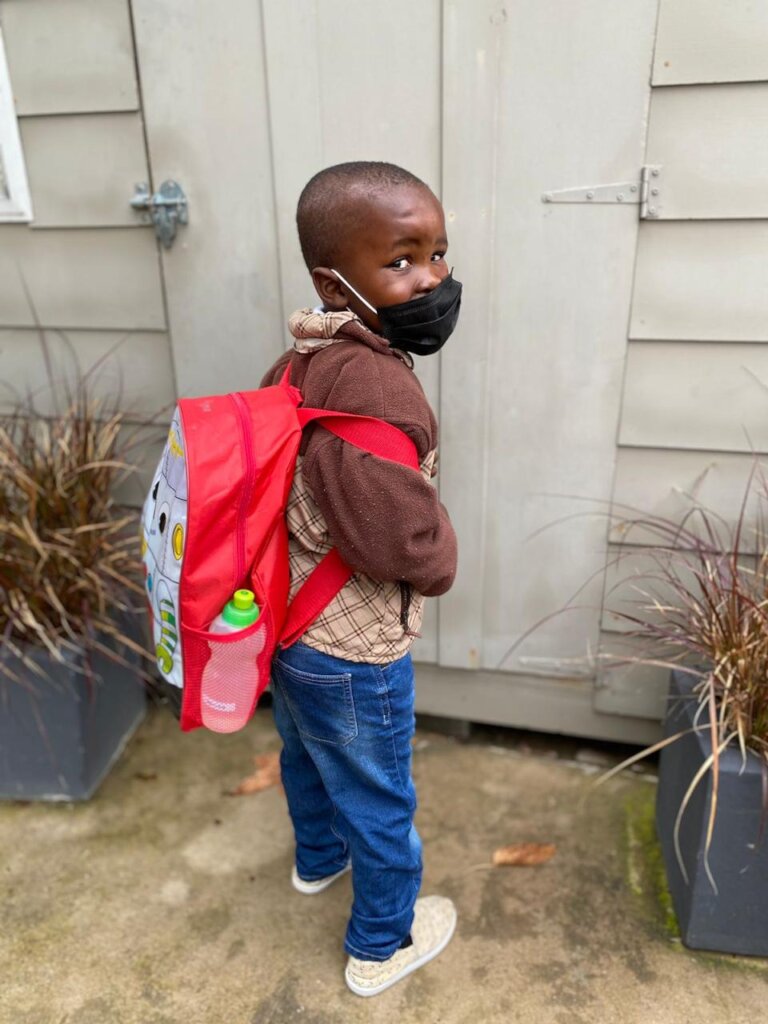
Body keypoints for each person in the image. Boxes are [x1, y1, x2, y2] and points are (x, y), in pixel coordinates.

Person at [261, 161, 460, 997]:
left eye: (439, 252)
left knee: (306, 757)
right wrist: (440, 551)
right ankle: (383, 943)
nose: (433, 280)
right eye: (402, 260)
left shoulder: (302, 355)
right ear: (331, 279)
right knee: (380, 795)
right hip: (353, 645)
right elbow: (400, 539)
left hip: (290, 625)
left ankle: (317, 860)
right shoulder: (376, 389)